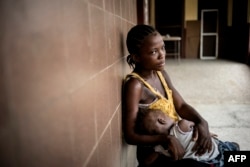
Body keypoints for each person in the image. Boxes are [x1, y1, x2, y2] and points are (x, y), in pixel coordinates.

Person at [122, 24, 231, 167]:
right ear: (137, 57)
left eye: (163, 48)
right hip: (157, 153)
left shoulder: (161, 74)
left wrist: (202, 123)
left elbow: (181, 106)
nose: (162, 55)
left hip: (178, 137)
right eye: (154, 52)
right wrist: (165, 139)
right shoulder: (135, 85)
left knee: (233, 155)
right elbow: (130, 135)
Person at [136, 109, 240, 167]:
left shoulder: (162, 145)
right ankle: (233, 148)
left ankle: (233, 148)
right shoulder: (181, 126)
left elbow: (147, 162)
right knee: (231, 152)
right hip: (214, 152)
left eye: (153, 132)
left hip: (210, 160)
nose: (154, 136)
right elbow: (196, 126)